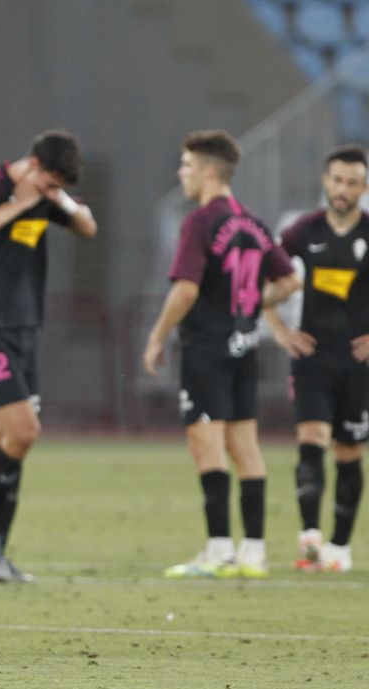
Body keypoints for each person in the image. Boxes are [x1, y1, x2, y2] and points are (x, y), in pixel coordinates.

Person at [144, 130, 300, 580]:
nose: (182, 173)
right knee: (245, 446)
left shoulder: (199, 222)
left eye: (187, 165)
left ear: (209, 171)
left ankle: (218, 550)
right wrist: (252, 306)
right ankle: (254, 552)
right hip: (243, 346)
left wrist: (157, 335)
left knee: (206, 444)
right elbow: (290, 281)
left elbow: (186, 289)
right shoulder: (252, 222)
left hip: (207, 347)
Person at [0, 130, 98, 583]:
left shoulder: (48, 197)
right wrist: (19, 201)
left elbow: (88, 227)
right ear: (33, 165)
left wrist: (62, 202)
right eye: (50, 182)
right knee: (25, 431)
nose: (51, 193)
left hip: (24, 325)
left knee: (9, 438)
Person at [266, 145, 369, 573]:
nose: (342, 189)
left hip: (358, 364)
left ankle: (340, 549)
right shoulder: (301, 232)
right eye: (336, 180)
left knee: (348, 453)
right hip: (312, 357)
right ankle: (309, 539)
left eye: (352, 182)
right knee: (311, 440)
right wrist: (279, 331)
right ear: (325, 182)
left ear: (363, 188)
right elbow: (260, 283)